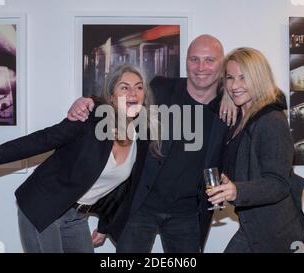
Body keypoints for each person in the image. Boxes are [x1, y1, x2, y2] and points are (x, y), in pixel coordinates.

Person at [0, 64, 160, 253]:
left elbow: (124, 189)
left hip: (77, 218)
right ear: (112, 96)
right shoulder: (90, 119)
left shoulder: (141, 136)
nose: (133, 93)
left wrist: (106, 225)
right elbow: (42, 140)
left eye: (139, 87)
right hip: (44, 206)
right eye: (124, 87)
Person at [67, 34, 237, 253]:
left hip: (187, 213)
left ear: (221, 64)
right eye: (194, 59)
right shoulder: (160, 88)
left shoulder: (229, 107)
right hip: (141, 206)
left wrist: (229, 94)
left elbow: (272, 98)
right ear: (186, 61)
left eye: (209, 60)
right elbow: (119, 102)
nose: (201, 67)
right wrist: (88, 102)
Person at [207, 47, 304, 252]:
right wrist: (229, 183)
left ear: (258, 78)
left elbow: (279, 184)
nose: (235, 85)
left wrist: (237, 190)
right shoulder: (242, 117)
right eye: (230, 78)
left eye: (243, 78)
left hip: (277, 233)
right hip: (253, 226)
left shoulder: (271, 120)